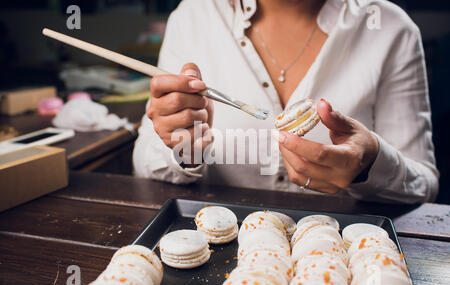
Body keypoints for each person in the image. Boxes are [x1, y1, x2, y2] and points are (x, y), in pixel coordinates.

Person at [133, 0, 439, 204]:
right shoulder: (192, 17)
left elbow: (424, 186)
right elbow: (144, 164)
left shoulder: (390, 28)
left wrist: (369, 165)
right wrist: (182, 147)